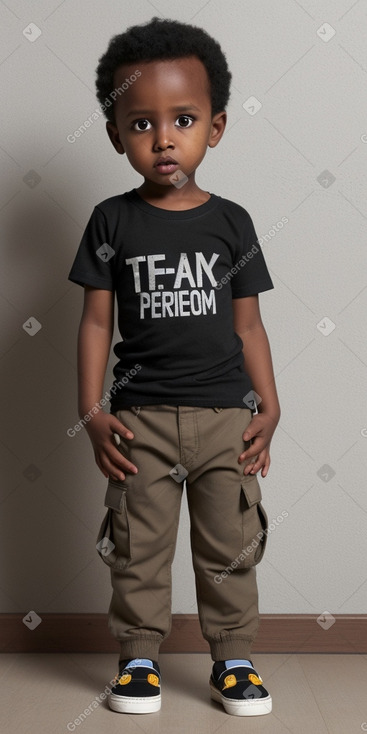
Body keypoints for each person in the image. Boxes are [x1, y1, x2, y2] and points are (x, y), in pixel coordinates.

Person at [68, 16, 280, 718]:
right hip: (141, 419)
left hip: (227, 416)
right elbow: (97, 320)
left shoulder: (232, 223)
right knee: (137, 545)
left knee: (230, 543)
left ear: (214, 127)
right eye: (141, 124)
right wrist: (93, 411)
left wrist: (269, 408)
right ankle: (137, 661)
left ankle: (235, 661)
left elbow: (247, 324)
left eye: (183, 119)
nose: (163, 139)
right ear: (115, 134)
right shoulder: (111, 221)